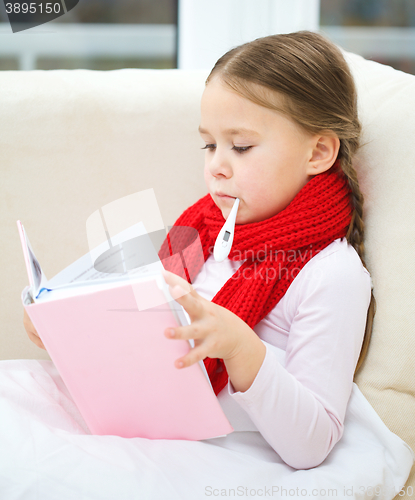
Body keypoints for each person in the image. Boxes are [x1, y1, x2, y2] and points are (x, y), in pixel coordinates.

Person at [24, 31, 375, 472]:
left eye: (241, 146)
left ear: (319, 151)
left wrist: (241, 349)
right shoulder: (201, 227)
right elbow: (126, 312)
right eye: (209, 145)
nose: (216, 165)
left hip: (227, 458)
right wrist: (60, 321)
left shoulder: (333, 275)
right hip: (144, 422)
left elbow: (312, 443)